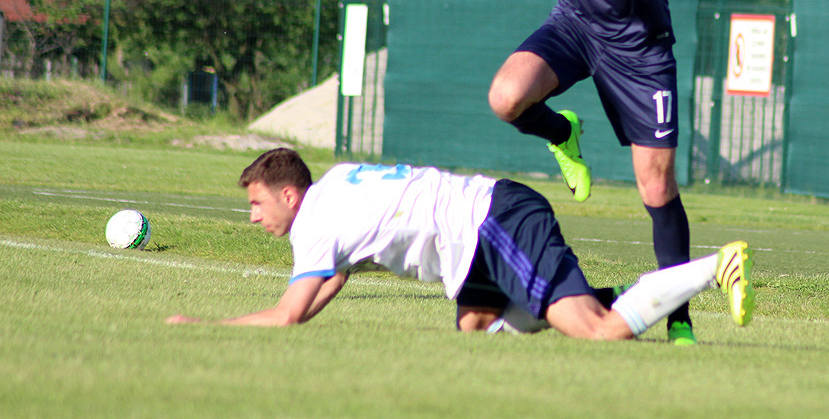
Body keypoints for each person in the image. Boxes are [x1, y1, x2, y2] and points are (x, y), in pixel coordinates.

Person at [428, 0, 699, 343]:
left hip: (638, 47)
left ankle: (679, 320)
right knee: (506, 97)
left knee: (656, 185)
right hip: (575, 25)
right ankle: (562, 130)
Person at [165, 148, 754, 340]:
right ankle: (627, 295)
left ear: (290, 196)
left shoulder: (315, 220)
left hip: (490, 225)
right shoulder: (337, 179)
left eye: (256, 203)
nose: (252, 216)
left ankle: (716, 266)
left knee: (597, 331)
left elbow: (289, 314)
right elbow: (332, 279)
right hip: (475, 232)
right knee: (475, 327)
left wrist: (207, 327)